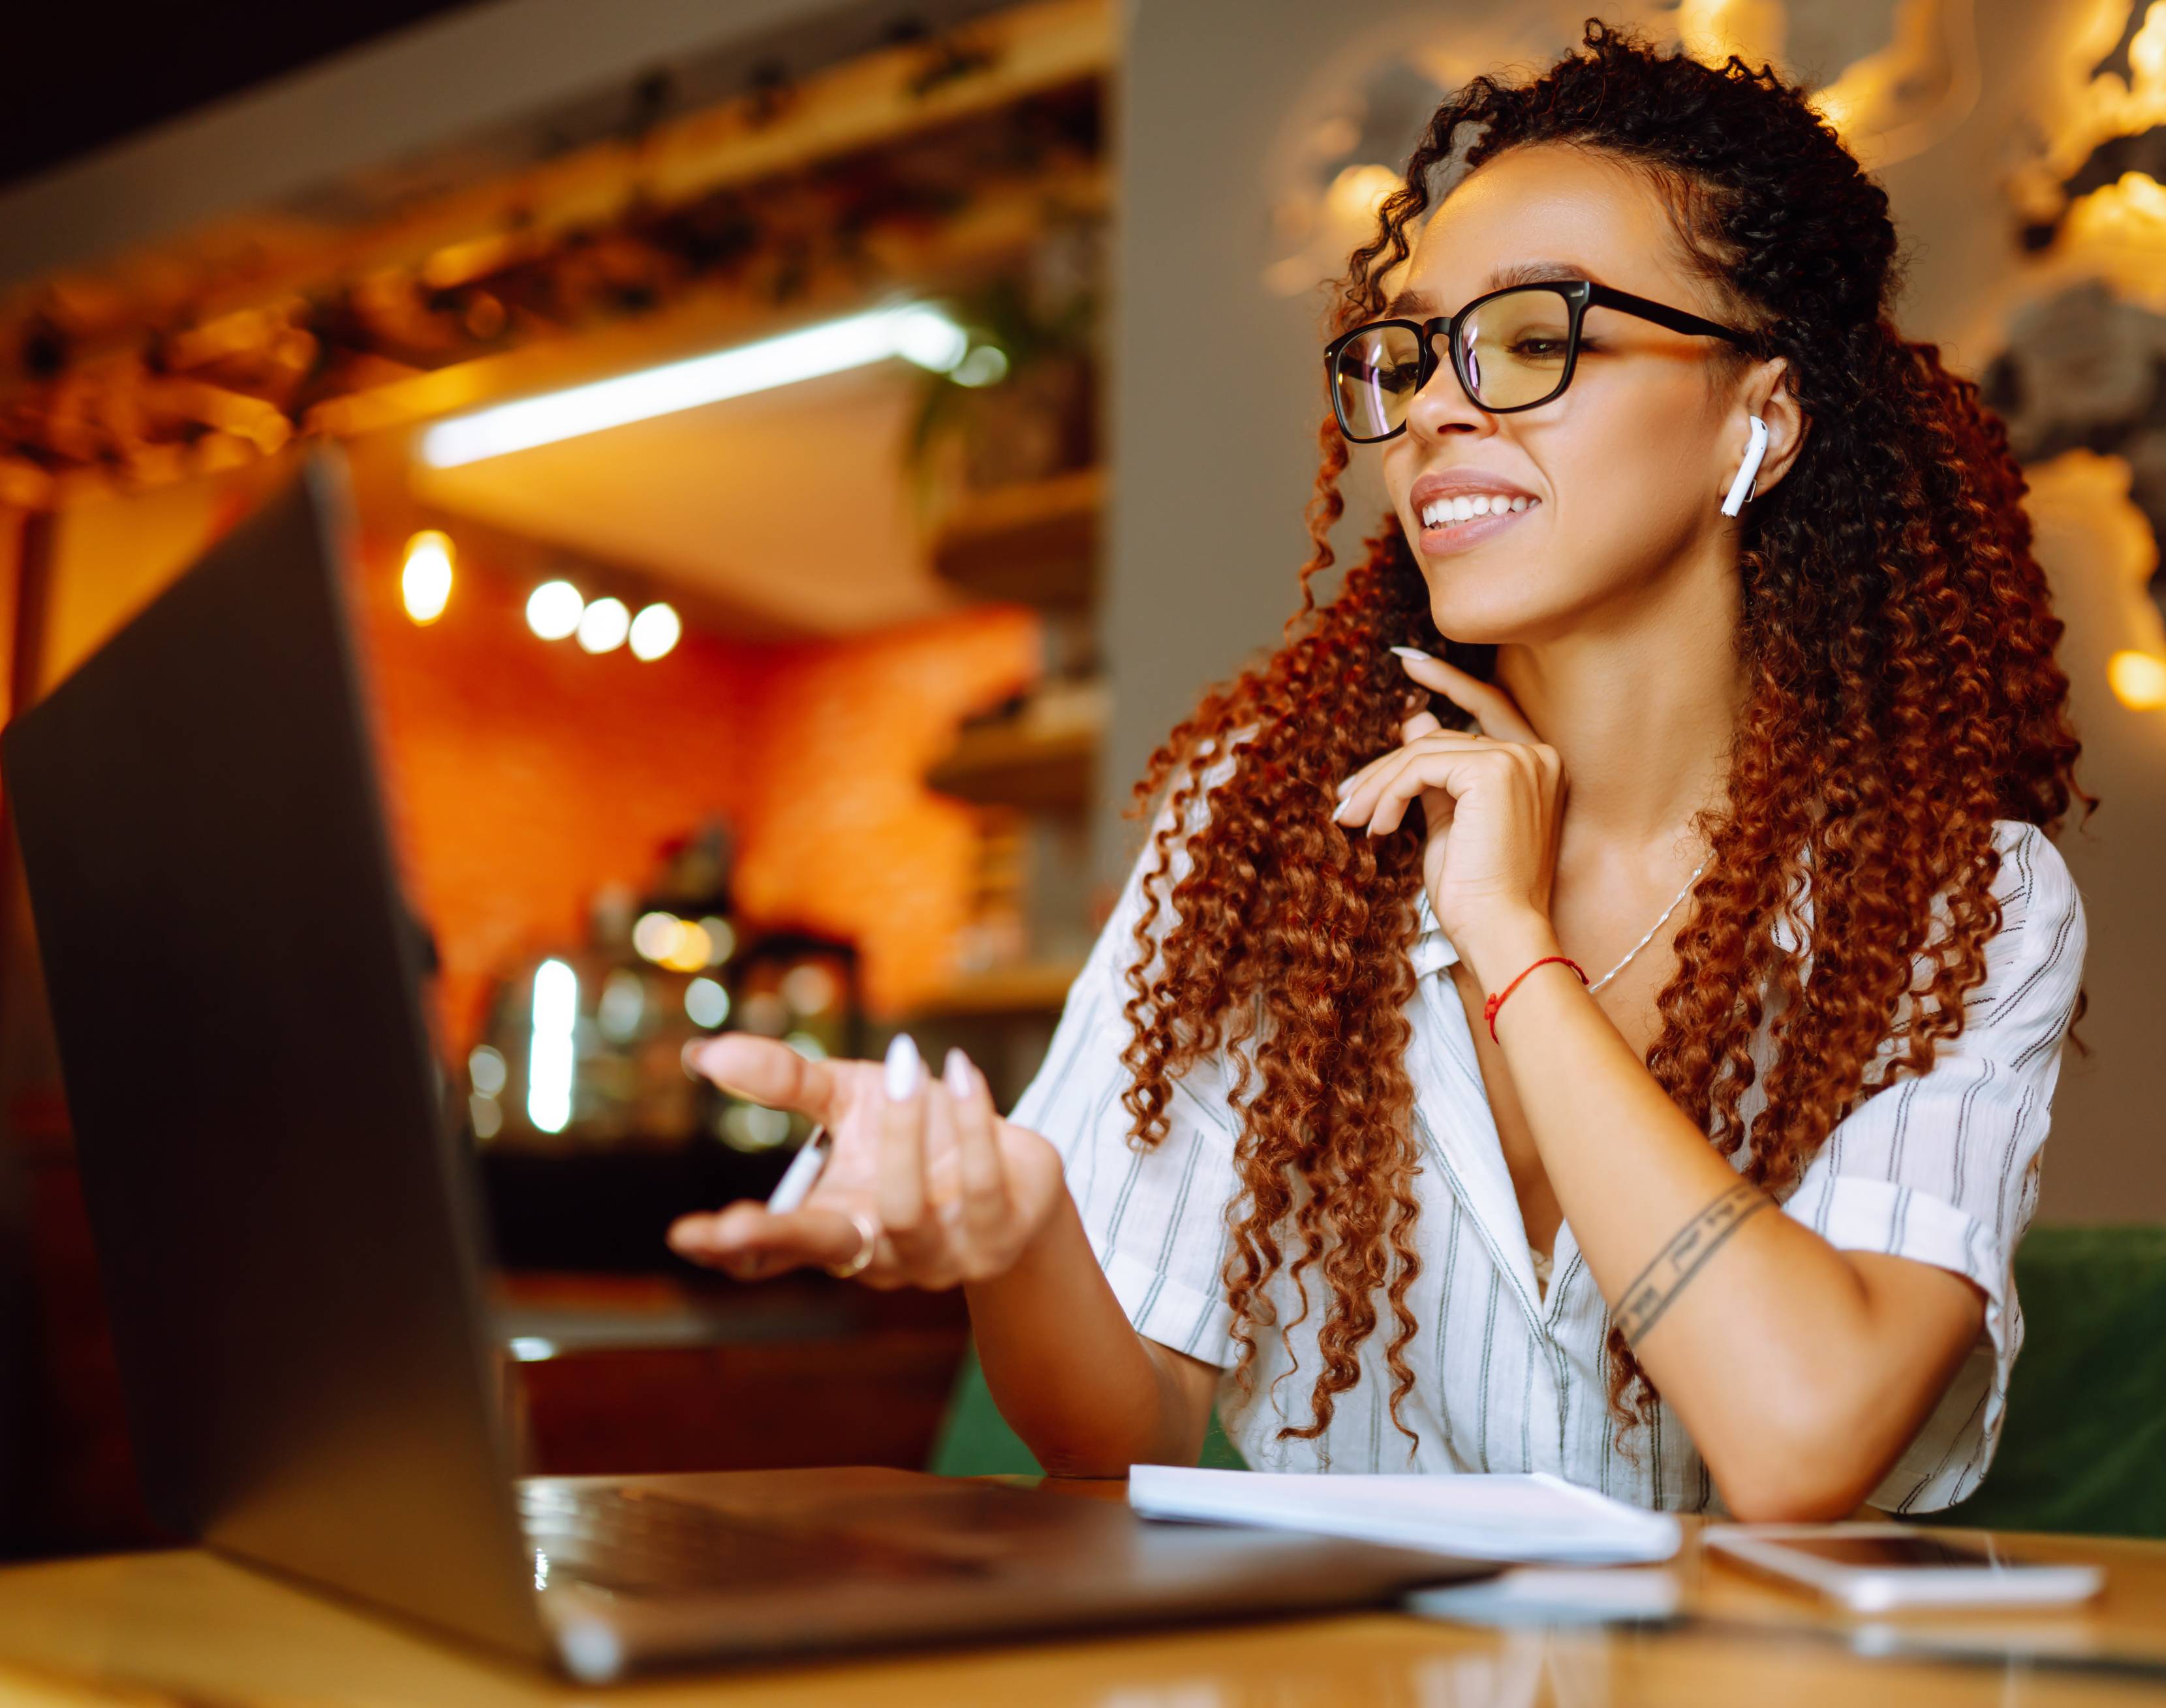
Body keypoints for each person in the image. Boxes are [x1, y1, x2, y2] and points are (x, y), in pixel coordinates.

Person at [670, 22, 2090, 1521]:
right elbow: (1120, 1429)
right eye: (1406, 349)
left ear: (1762, 417)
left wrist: (1509, 943)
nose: (1430, 408)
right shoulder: (1262, 824)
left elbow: (1805, 1441)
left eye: (1537, 340)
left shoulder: (1960, 903)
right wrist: (1022, 1238)